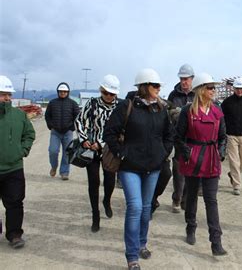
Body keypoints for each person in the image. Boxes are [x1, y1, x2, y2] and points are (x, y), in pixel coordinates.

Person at [104, 68, 174, 270]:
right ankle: (132, 255)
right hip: (130, 167)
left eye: (160, 85)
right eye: (155, 85)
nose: (159, 89)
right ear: (144, 86)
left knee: (145, 208)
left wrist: (163, 153)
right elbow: (109, 133)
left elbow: (169, 135)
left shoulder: (161, 109)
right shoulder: (126, 107)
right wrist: (122, 153)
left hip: (153, 167)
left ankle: (142, 243)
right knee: (134, 207)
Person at [175, 72, 227, 256]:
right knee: (191, 196)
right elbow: (178, 137)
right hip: (193, 158)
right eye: (210, 87)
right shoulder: (187, 112)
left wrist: (221, 151)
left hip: (211, 159)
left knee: (211, 200)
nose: (214, 90)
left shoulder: (217, 112)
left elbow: (222, 136)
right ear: (201, 90)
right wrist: (186, 151)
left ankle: (216, 241)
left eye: (214, 87)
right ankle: (191, 226)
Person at [75, 75, 121, 232]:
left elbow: (119, 130)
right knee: (93, 182)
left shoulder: (120, 107)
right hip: (91, 149)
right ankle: (95, 215)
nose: (109, 96)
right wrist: (83, 140)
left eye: (112, 94)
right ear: (101, 90)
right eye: (106, 92)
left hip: (109, 149)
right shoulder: (92, 103)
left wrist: (101, 143)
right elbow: (79, 120)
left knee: (109, 180)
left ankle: (107, 201)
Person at [0, 76, 35, 249]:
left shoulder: (19, 115)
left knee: (15, 203)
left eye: (9, 95)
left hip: (14, 168)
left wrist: (22, 150)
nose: (7, 98)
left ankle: (14, 234)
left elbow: (29, 134)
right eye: (3, 94)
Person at [166, 64, 195, 213]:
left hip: (194, 138)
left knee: (191, 170)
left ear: (192, 79)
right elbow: (169, 113)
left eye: (186, 79)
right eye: (182, 79)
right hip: (178, 137)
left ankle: (185, 199)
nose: (184, 82)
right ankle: (176, 198)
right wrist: (179, 114)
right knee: (178, 169)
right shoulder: (173, 95)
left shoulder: (197, 94)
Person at [221, 77, 242, 195]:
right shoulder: (227, 102)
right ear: (233, 89)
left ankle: (233, 174)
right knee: (234, 161)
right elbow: (222, 118)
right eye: (237, 88)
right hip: (231, 136)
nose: (240, 91)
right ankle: (236, 185)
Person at [45, 82, 80, 180]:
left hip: (67, 132)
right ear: (58, 92)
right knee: (53, 151)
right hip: (55, 132)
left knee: (67, 153)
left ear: (68, 92)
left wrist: (72, 128)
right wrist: (51, 126)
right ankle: (54, 166)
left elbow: (77, 117)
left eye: (65, 91)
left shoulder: (73, 103)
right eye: (61, 91)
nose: (63, 93)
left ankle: (64, 172)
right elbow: (47, 116)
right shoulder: (52, 103)